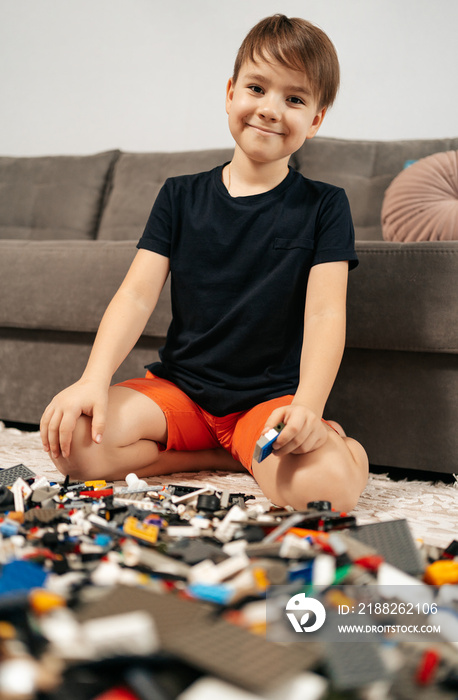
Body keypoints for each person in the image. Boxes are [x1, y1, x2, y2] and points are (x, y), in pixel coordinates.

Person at [40, 14, 368, 512]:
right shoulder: (179, 195)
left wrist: (308, 406)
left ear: (316, 119)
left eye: (294, 99)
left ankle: (339, 448)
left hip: (267, 402)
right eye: (256, 88)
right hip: (182, 393)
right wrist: (92, 378)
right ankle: (227, 455)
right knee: (76, 445)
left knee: (328, 493)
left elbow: (326, 314)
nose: (269, 109)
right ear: (232, 92)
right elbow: (135, 295)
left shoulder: (326, 205)